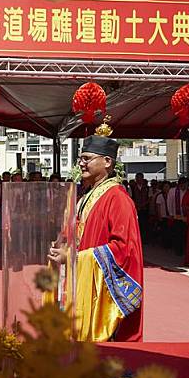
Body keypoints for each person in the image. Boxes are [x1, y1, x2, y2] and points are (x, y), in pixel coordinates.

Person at [48, 125, 143, 342]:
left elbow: (124, 250)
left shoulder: (118, 199)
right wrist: (62, 246)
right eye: (80, 158)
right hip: (80, 283)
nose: (81, 163)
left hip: (99, 294)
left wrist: (73, 258)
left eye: (87, 158)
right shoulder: (87, 196)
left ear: (107, 162)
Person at [167, 177, 189, 256]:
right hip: (176, 216)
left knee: (185, 234)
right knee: (178, 234)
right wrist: (171, 214)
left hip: (186, 216)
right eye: (183, 185)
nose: (184, 186)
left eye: (186, 185)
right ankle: (178, 250)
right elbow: (169, 202)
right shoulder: (172, 191)